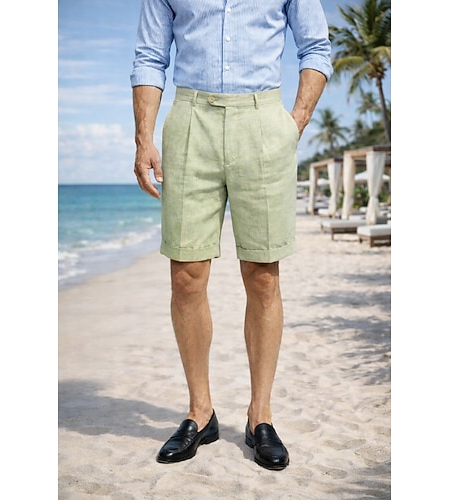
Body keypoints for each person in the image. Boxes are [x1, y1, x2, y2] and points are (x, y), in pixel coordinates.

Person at [131, 0, 332, 471]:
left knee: (262, 275)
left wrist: (294, 122)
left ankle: (260, 415)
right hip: (190, 119)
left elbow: (316, 47)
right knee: (186, 275)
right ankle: (200, 413)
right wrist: (144, 138)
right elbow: (150, 56)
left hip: (263, 120)